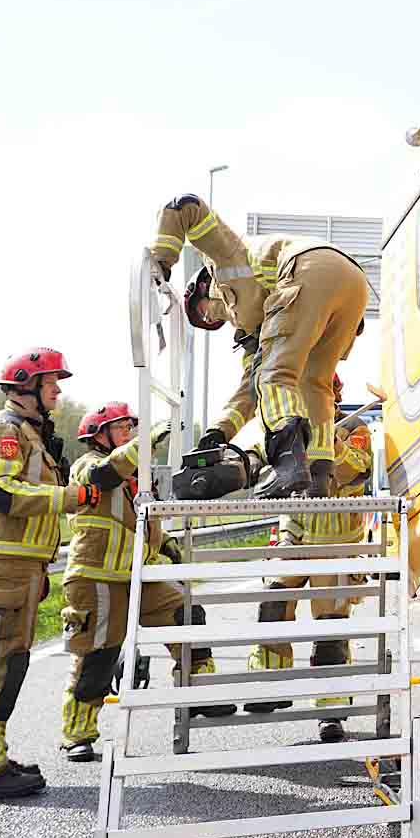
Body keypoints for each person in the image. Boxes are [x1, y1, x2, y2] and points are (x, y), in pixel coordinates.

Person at [146, 195, 369, 498]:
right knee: (314, 384)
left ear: (203, 290)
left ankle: (288, 463)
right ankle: (319, 473)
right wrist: (218, 432)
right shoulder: (261, 317)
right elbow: (248, 392)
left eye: (204, 314)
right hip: (352, 284)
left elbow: (185, 206)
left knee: (275, 376)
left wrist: (161, 260)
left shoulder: (222, 259)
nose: (217, 319)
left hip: (306, 269)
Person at [0, 348, 101, 801]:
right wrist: (66, 496)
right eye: (51, 383)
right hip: (2, 564)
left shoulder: (29, 433)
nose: (58, 391)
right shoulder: (5, 430)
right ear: (27, 387)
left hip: (21, 564)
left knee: (10, 665)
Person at [59, 403, 233, 762]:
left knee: (188, 617)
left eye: (132, 427)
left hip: (140, 574)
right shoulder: (88, 464)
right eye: (122, 428)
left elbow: (140, 521)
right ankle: (77, 733)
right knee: (98, 655)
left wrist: (165, 543)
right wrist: (148, 440)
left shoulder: (137, 476)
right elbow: (105, 476)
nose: (130, 433)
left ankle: (196, 695)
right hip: (97, 577)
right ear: (99, 435)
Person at [249, 376, 375, 743]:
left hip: (336, 543)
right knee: (273, 604)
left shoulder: (354, 428)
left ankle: (331, 713)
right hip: (296, 534)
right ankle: (272, 685)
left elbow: (356, 469)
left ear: (333, 394)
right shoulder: (291, 426)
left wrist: (326, 436)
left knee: (330, 629)